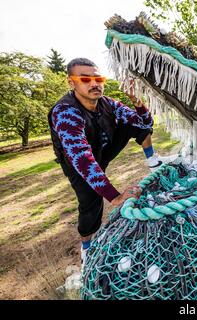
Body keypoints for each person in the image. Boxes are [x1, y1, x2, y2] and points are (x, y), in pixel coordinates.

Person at [48, 58, 169, 266]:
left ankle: (153, 161)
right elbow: (82, 160)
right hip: (78, 164)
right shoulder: (65, 111)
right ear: (71, 83)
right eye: (85, 79)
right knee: (90, 204)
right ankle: (86, 249)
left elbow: (146, 123)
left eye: (98, 78)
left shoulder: (108, 103)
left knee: (136, 126)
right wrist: (115, 197)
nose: (94, 84)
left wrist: (136, 101)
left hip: (103, 149)